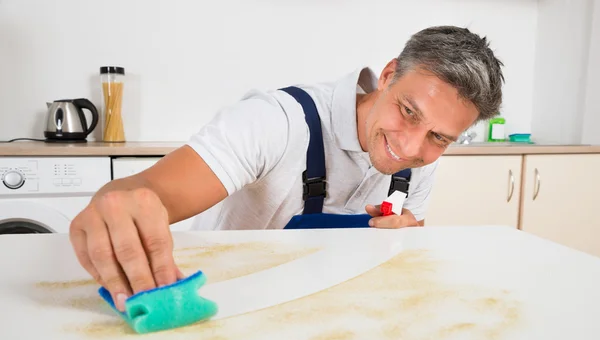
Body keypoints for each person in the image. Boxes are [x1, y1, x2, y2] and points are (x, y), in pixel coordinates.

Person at [69, 25, 504, 312]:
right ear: (389, 75)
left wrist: (404, 243)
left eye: (439, 138)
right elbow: (144, 195)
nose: (410, 146)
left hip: (326, 314)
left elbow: (408, 243)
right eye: (408, 111)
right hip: (230, 304)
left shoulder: (419, 158)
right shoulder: (275, 121)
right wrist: (120, 207)